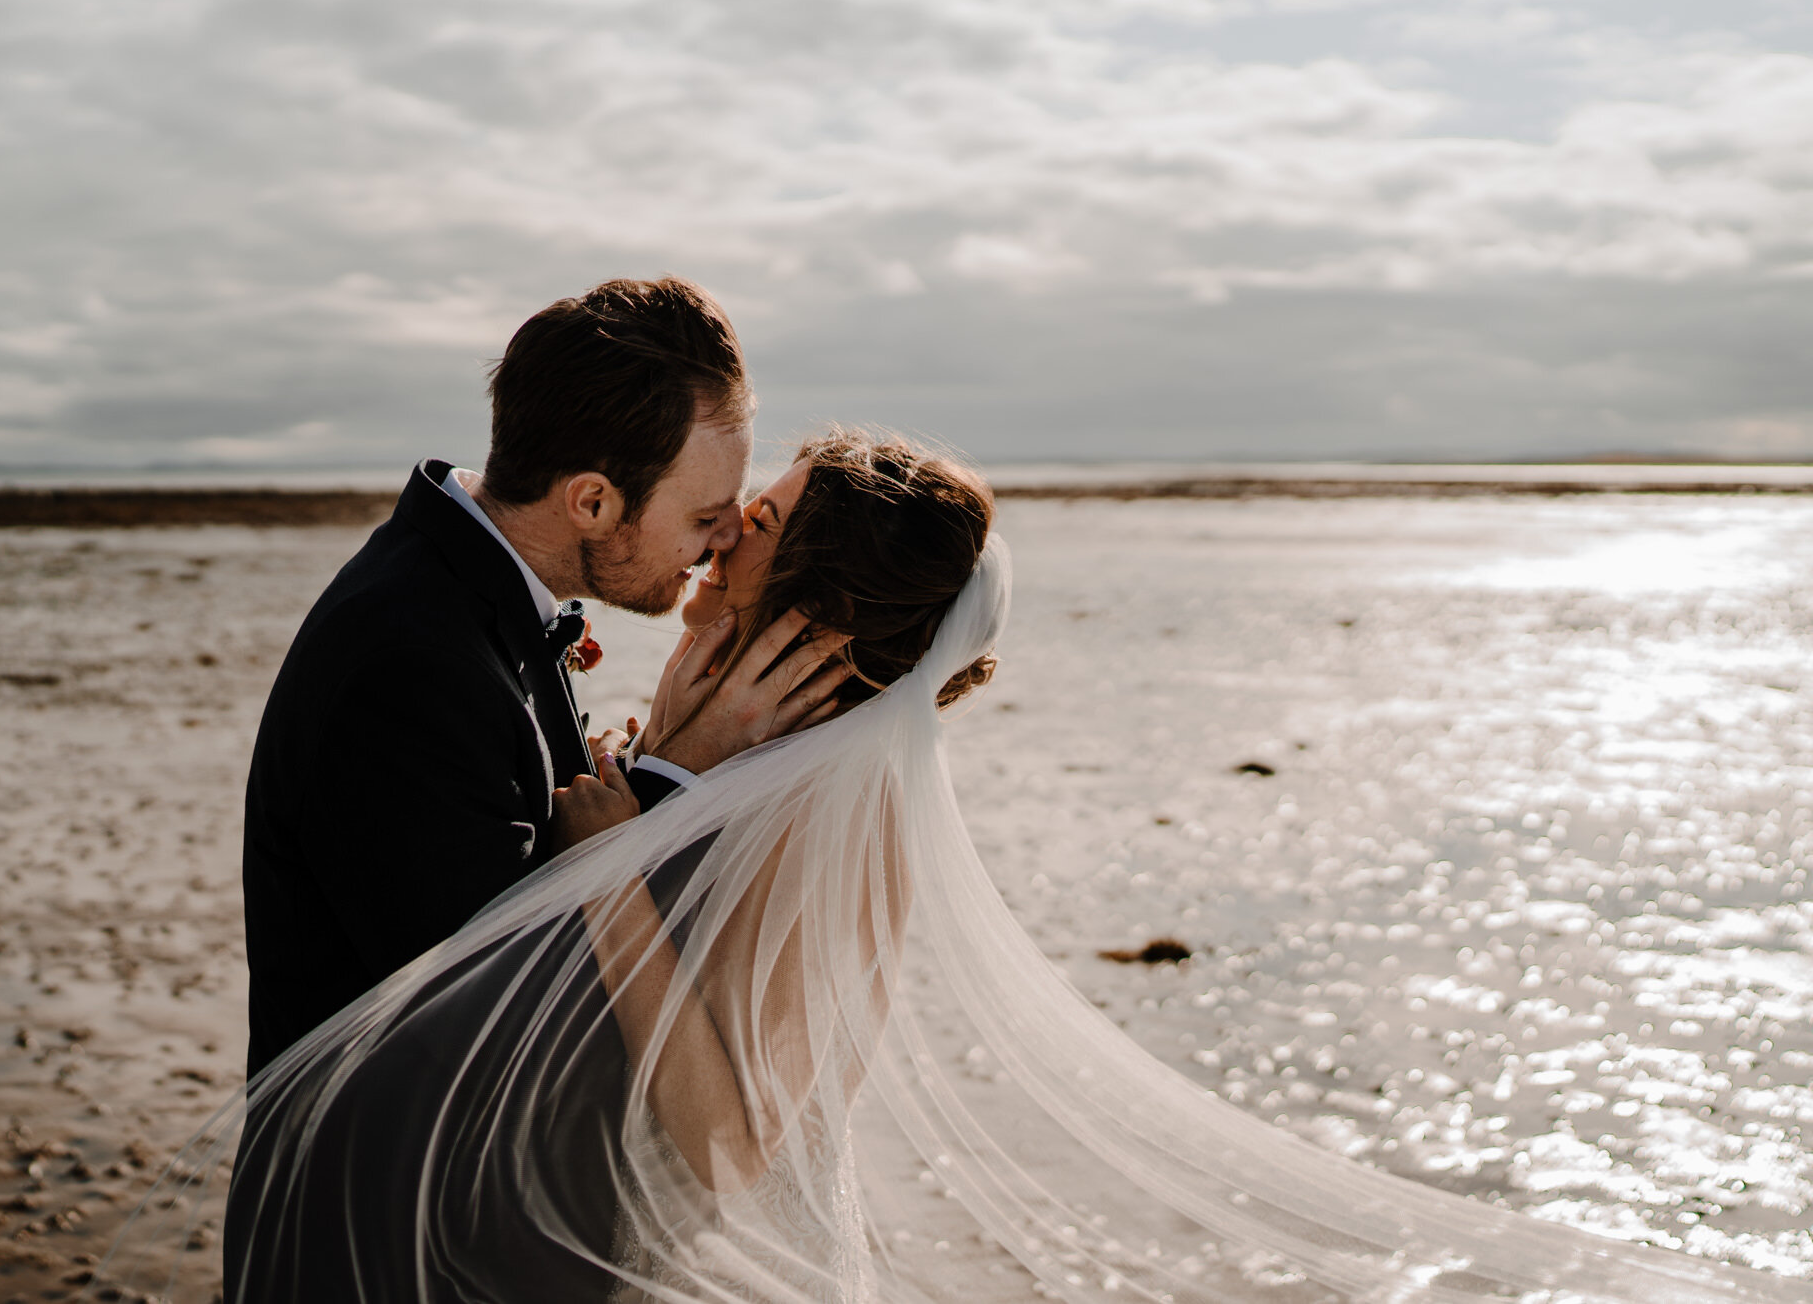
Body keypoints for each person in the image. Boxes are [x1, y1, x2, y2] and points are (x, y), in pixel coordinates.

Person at [167, 429, 1789, 1303]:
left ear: (806, 596)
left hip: (568, 1247)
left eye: (766, 516)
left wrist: (605, 885)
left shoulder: (832, 826)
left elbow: (729, 1133)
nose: (722, 526)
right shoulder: (692, 732)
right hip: (483, 1212)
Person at [237, 276, 847, 1079]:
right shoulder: (409, 664)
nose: (729, 535)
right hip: (388, 1190)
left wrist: (635, 765)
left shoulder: (462, 589)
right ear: (591, 502)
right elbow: (509, 1022)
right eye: (705, 515)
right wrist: (680, 768)